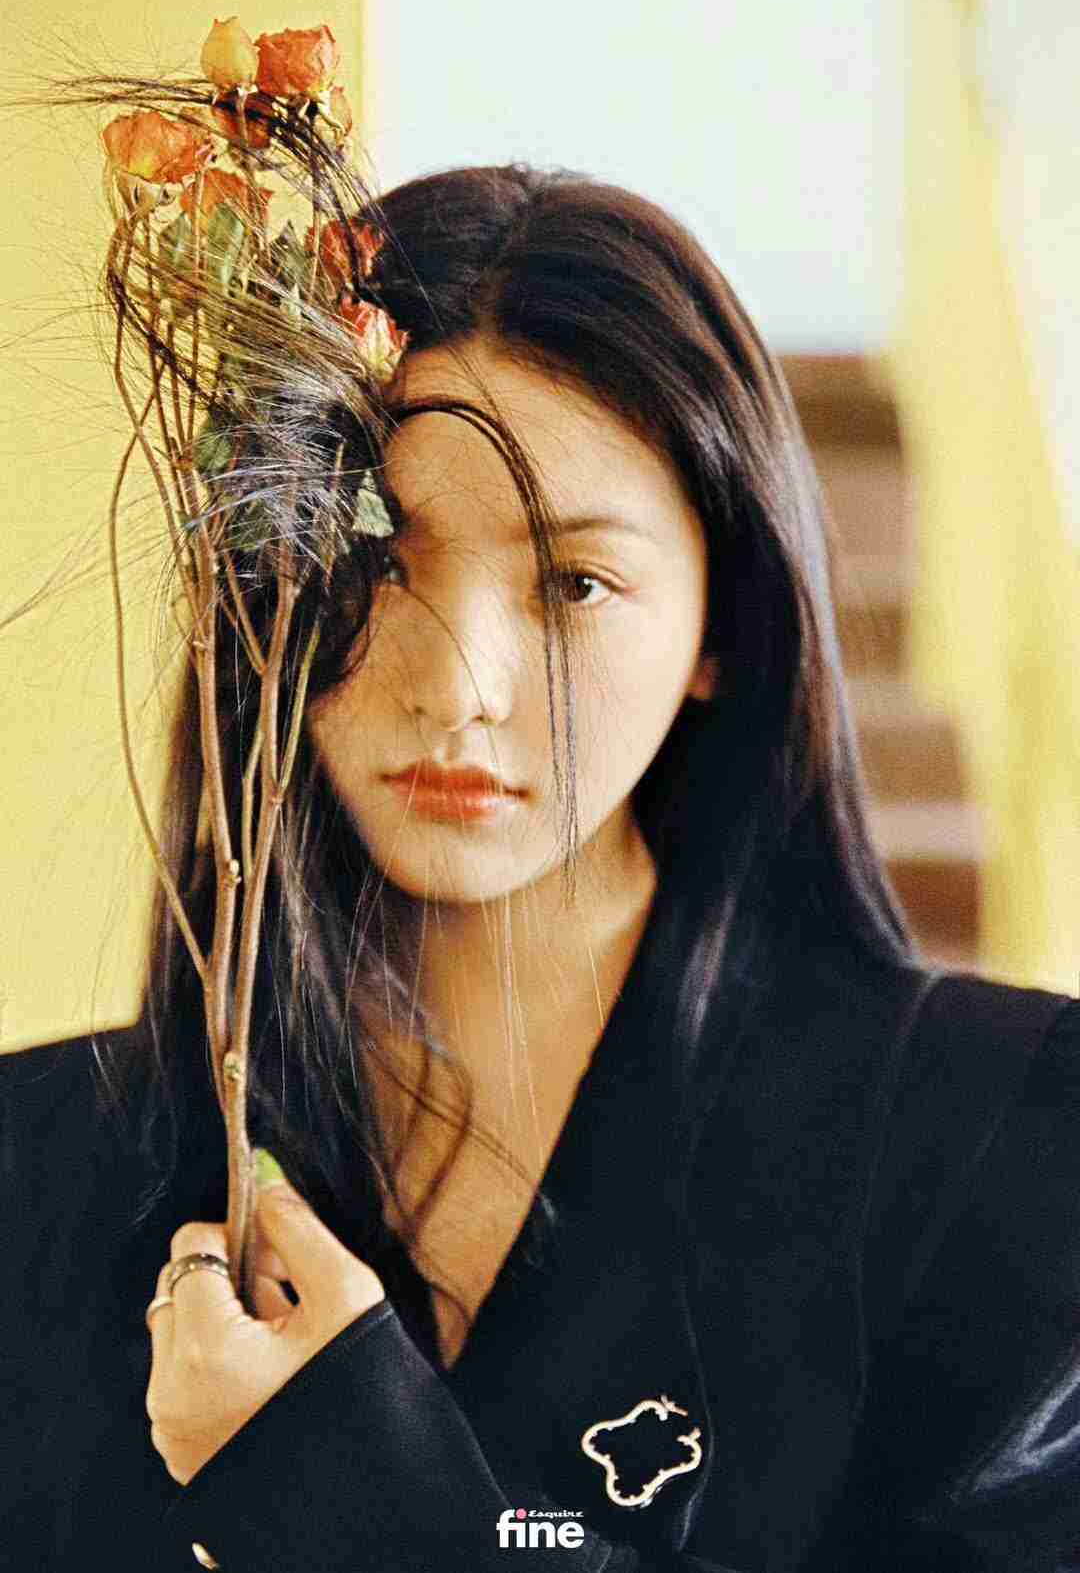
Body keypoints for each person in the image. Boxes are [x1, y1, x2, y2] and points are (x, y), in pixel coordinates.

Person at [2, 162, 1079, 1573]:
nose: (459, 687)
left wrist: (376, 1508)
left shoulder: (999, 1151)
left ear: (721, 626)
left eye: (572, 583)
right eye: (379, 562)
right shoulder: (38, 1171)